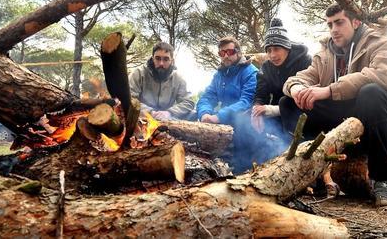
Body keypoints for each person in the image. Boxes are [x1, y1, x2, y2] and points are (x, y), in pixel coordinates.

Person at [280, 3, 387, 208]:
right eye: (329, 25)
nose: (333, 29)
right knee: (288, 104)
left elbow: (386, 76)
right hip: (351, 127)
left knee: (371, 92)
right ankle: (313, 175)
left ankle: (382, 180)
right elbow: (298, 78)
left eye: (339, 22)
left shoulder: (379, 43)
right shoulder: (325, 53)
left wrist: (328, 90)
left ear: (356, 22)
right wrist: (296, 89)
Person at [246, 18, 312, 166]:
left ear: (287, 47)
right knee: (247, 120)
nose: (272, 55)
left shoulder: (305, 61)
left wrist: (270, 109)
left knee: (286, 105)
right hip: (277, 113)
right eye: (269, 50)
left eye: (276, 49)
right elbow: (260, 94)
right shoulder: (267, 68)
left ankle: (295, 158)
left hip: (302, 111)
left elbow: (307, 96)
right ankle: (256, 162)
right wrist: (256, 110)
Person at [196, 36, 258, 172]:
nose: (225, 56)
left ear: (238, 52)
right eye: (221, 53)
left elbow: (246, 101)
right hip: (224, 118)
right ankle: (208, 163)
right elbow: (207, 97)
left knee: (241, 119)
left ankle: (242, 168)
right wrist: (204, 113)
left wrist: (220, 116)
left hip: (245, 118)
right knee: (193, 116)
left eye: (229, 52)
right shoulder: (219, 74)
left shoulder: (250, 72)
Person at [129, 41, 194, 120]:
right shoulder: (139, 73)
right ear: (152, 58)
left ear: (172, 61)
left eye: (166, 59)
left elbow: (189, 102)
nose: (161, 63)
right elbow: (130, 98)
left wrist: (169, 112)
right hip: (143, 117)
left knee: (193, 114)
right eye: (157, 58)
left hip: (168, 118)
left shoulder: (178, 78)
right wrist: (150, 112)